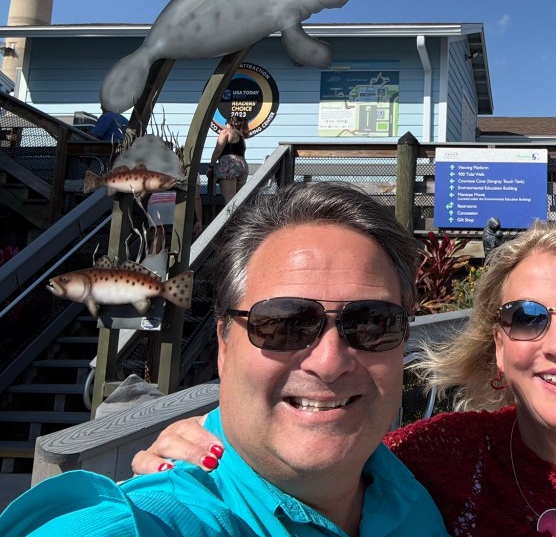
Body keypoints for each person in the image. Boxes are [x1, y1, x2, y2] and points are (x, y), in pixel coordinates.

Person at [132, 221, 556, 536]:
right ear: (498, 349)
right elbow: (318, 443)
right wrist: (211, 438)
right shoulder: (439, 455)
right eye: (526, 319)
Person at [0, 181, 448, 537]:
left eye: (372, 323)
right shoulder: (150, 520)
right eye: (284, 323)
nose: (329, 362)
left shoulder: (419, 486)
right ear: (224, 345)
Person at [207, 115, 249, 203]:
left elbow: (218, 150)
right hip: (243, 166)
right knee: (239, 201)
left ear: (230, 123)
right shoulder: (241, 136)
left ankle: (231, 213)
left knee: (230, 201)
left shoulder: (225, 132)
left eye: (226, 123)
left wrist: (211, 166)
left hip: (228, 165)